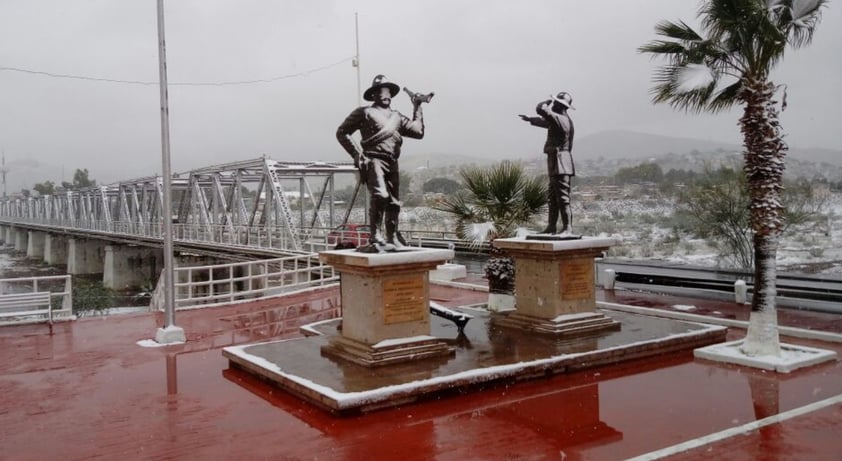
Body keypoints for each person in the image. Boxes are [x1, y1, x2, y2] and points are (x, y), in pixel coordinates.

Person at [336, 74, 428, 251]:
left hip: (392, 161)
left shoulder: (397, 117)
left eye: (387, 92)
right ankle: (375, 235)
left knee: (394, 201)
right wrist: (356, 155)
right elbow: (342, 132)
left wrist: (417, 106)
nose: (385, 95)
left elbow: (418, 132)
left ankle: (392, 236)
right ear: (373, 95)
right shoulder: (364, 112)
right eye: (381, 92)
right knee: (380, 195)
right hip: (373, 160)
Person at [519, 91, 576, 235]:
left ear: (561, 105)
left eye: (557, 102)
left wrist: (548, 102)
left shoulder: (561, 119)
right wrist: (530, 120)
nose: (554, 104)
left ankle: (567, 228)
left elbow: (541, 109)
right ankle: (552, 226)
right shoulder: (559, 120)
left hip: (561, 162)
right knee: (553, 197)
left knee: (562, 198)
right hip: (555, 160)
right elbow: (546, 122)